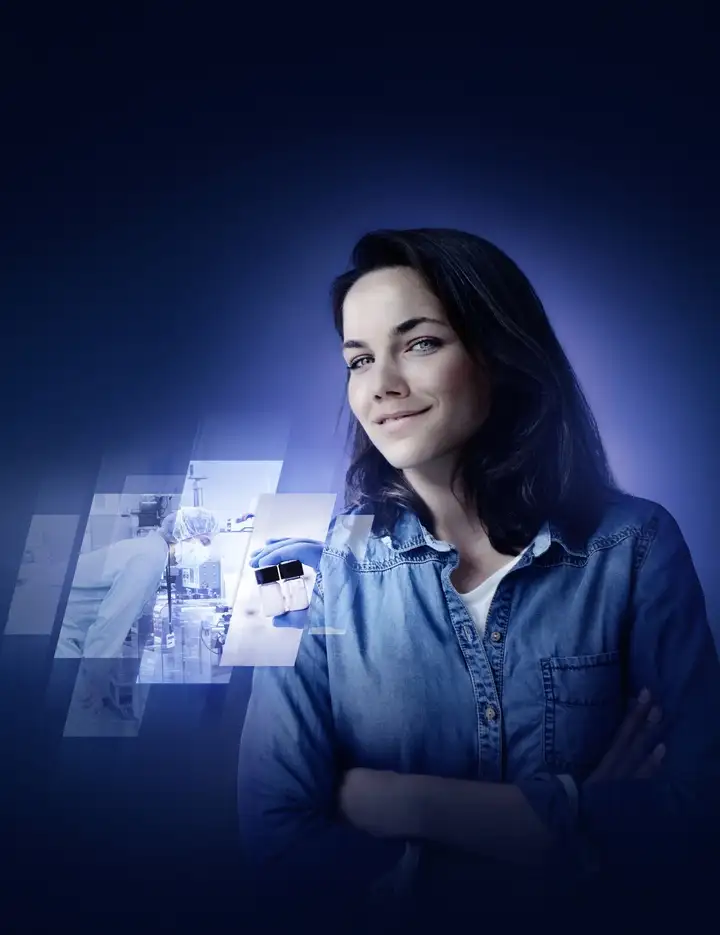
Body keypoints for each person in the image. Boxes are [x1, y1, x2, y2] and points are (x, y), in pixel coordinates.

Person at [237, 229, 720, 928]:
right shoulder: (291, 561)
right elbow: (275, 839)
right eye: (359, 358)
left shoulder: (637, 544)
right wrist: (564, 825)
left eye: (421, 342)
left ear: (499, 350)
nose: (382, 385)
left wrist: (406, 802)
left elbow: (696, 816)